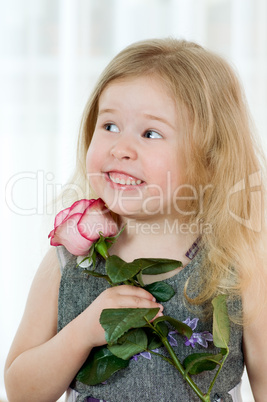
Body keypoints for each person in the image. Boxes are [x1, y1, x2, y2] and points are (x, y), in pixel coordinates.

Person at [4, 38, 267, 402]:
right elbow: (21, 391)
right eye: (109, 125)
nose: (121, 148)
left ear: (210, 159)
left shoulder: (236, 268)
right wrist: (83, 332)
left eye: (151, 133)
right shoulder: (68, 263)